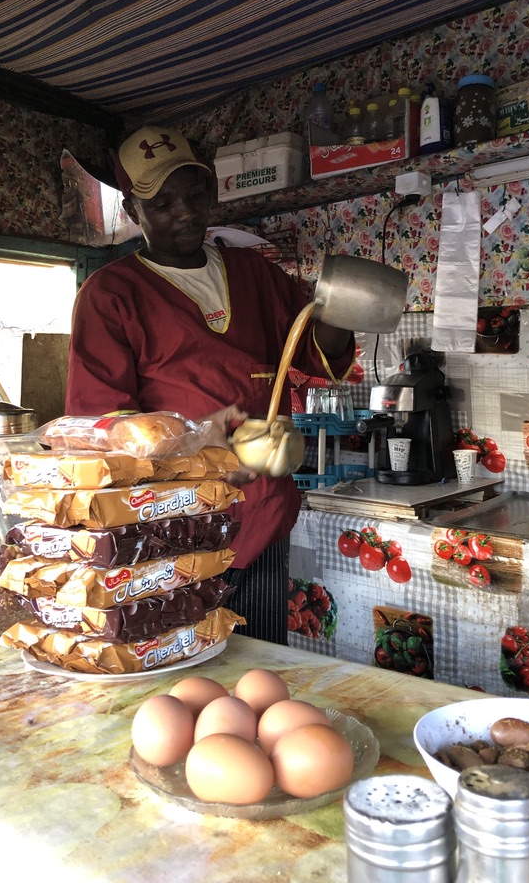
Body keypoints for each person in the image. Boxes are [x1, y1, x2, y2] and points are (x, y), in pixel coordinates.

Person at [65, 125, 355, 645]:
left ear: (212, 193)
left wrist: (343, 306)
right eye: (162, 204)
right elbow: (99, 427)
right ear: (132, 211)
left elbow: (314, 352)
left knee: (261, 660)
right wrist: (196, 439)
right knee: (181, 660)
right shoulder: (111, 294)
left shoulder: (255, 273)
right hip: (172, 527)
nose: (185, 213)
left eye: (195, 196)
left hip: (262, 512)